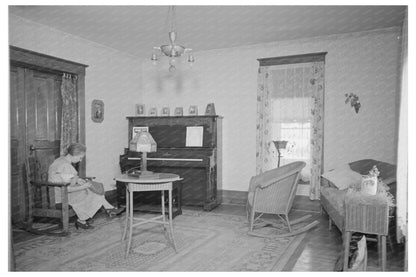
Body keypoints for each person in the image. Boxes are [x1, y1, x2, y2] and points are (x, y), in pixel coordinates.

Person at [48, 143, 121, 229]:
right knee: (92, 193)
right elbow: (67, 188)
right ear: (74, 155)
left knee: (91, 191)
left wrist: (78, 180)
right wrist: (83, 186)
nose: (80, 160)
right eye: (80, 157)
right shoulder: (66, 166)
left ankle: (106, 210)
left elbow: (62, 178)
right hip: (61, 197)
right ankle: (84, 219)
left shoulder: (60, 160)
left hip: (56, 194)